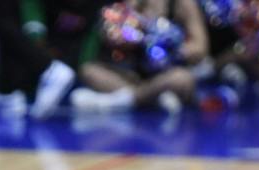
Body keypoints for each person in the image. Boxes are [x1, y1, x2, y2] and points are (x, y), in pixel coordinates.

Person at [69, 0, 206, 110]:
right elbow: (108, 34)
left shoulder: (182, 3)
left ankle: (123, 100)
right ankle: (150, 98)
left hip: (165, 74)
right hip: (130, 74)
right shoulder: (125, 5)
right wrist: (124, 39)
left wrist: (169, 49)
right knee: (89, 70)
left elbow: (200, 48)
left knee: (182, 78)